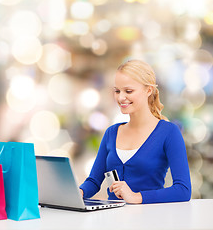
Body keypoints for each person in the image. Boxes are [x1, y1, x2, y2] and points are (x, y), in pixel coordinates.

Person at [79, 59, 191, 204]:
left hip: (149, 220)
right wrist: (78, 192)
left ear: (148, 90)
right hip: (112, 220)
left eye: (128, 91)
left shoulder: (168, 132)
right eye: (117, 91)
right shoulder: (111, 133)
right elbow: (94, 181)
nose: (120, 97)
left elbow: (183, 190)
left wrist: (136, 197)